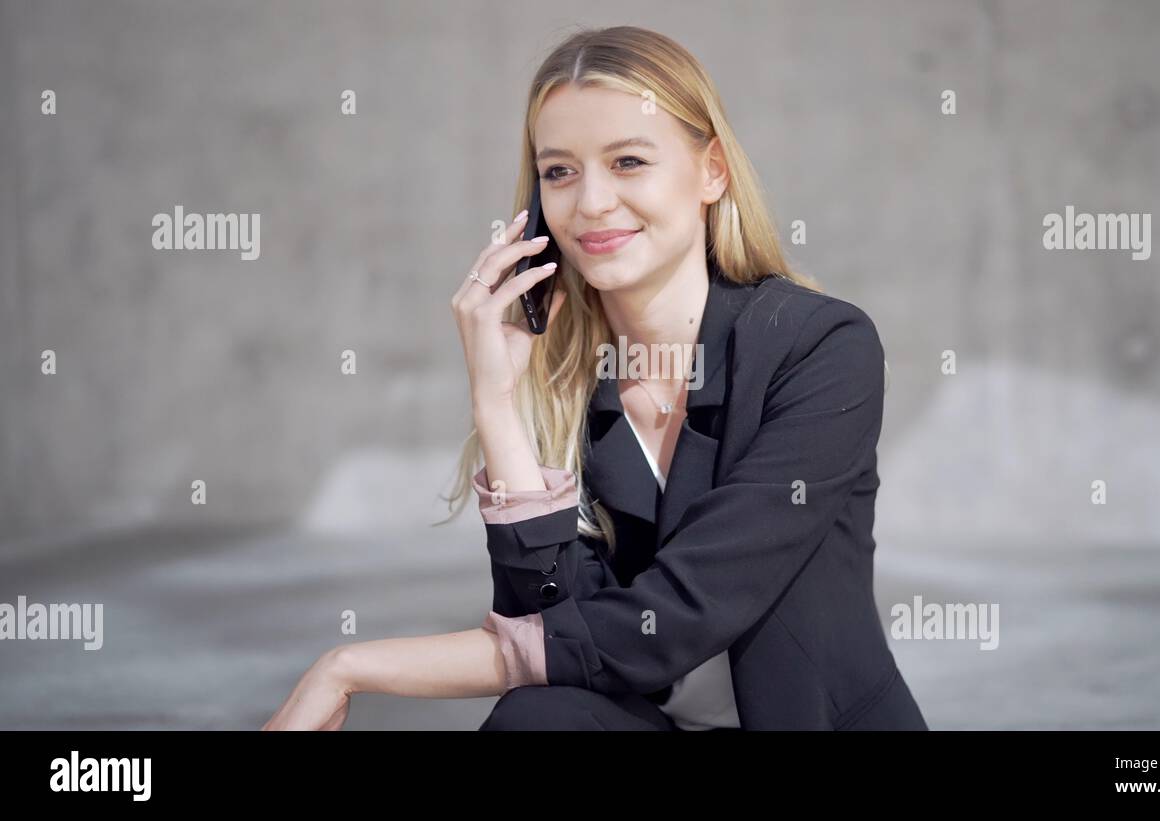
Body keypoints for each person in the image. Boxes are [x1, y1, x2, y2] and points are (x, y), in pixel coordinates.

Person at [263, 24, 924, 732]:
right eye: (560, 171)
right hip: (650, 720)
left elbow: (671, 619)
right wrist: (497, 404)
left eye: (629, 161)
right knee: (536, 718)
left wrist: (354, 665)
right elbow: (548, 623)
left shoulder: (821, 347)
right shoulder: (563, 380)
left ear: (712, 170)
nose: (592, 203)